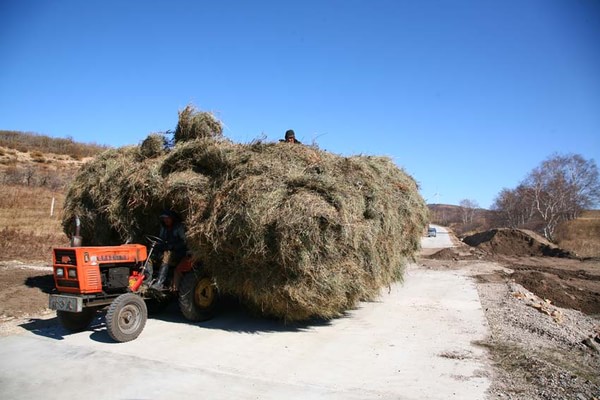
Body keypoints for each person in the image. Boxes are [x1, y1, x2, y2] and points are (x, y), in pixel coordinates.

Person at [151, 210, 188, 290]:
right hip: (167, 250)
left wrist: (173, 246)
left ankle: (160, 283)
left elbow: (184, 242)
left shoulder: (178, 227)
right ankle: (147, 279)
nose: (166, 220)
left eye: (167, 218)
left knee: (167, 255)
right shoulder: (164, 227)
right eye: (164, 218)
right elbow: (161, 239)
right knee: (150, 255)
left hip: (178, 252)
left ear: (172, 218)